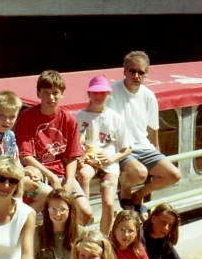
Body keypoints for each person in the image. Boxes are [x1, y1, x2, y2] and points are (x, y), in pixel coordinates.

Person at [107, 51, 181, 216]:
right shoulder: (112, 92)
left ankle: (138, 195)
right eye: (132, 71)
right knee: (141, 174)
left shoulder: (149, 96)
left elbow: (152, 128)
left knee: (174, 175)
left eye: (141, 72)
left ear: (146, 74)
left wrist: (157, 151)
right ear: (124, 71)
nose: (136, 75)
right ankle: (125, 186)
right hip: (123, 148)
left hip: (144, 147)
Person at [15, 70, 92, 225]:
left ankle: (69, 243)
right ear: (38, 93)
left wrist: (69, 181)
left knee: (86, 213)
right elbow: (25, 156)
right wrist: (51, 177)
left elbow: (72, 155)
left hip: (62, 174)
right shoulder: (26, 117)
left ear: (62, 94)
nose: (51, 98)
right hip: (37, 172)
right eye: (46, 93)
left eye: (55, 93)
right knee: (52, 204)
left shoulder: (69, 119)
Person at [0, 90, 51, 212]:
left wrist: (28, 171)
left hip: (12, 180)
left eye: (12, 117)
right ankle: (10, 220)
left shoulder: (10, 135)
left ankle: (21, 221)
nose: (7, 121)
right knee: (15, 195)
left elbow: (15, 166)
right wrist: (21, 182)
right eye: (2, 115)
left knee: (48, 194)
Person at [76, 76, 132, 235]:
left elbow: (126, 148)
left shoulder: (115, 118)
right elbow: (74, 143)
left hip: (108, 162)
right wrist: (81, 156)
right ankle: (83, 224)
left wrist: (112, 158)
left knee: (108, 204)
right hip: (88, 160)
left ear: (108, 94)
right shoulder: (79, 117)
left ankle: (104, 238)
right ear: (89, 94)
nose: (98, 96)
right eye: (95, 93)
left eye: (103, 93)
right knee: (83, 174)